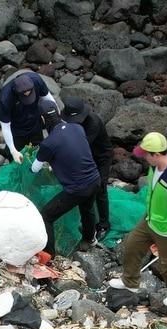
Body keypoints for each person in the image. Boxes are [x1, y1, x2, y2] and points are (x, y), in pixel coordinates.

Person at [108, 132, 167, 309]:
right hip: (150, 219)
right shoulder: (156, 166)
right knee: (132, 244)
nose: (144, 157)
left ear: (156, 154)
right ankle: (130, 282)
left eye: (146, 154)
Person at [32, 102, 102, 257]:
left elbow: (34, 168)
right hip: (95, 179)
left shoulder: (48, 143)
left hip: (77, 189)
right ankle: (90, 239)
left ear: (42, 120)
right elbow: (74, 151)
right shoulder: (77, 128)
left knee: (46, 216)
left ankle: (49, 255)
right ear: (58, 112)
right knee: (87, 208)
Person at [62, 97, 112, 243]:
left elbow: (81, 145)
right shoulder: (72, 122)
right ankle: (85, 216)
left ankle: (104, 224)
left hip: (101, 157)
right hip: (86, 157)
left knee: (100, 189)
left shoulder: (93, 123)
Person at [0, 71, 57, 163]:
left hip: (35, 120)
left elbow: (50, 101)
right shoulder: (5, 98)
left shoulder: (36, 80)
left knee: (38, 148)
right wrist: (13, 151)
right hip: (17, 127)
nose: (27, 95)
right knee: (15, 155)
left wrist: (57, 121)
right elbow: (5, 126)